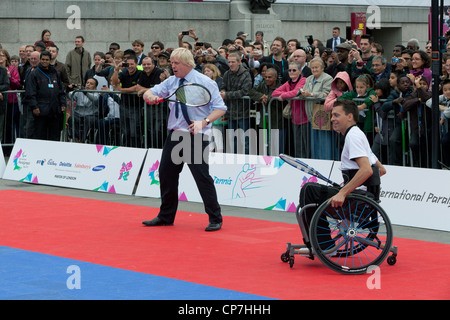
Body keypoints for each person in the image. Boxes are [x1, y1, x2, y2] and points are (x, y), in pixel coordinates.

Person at [141, 47, 227, 232]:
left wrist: (204, 122)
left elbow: (220, 108)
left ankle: (215, 217)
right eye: (171, 62)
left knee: (201, 177)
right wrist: (152, 97)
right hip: (175, 134)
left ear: (188, 64)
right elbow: (148, 93)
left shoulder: (205, 82)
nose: (172, 66)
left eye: (176, 63)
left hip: (196, 135)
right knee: (166, 175)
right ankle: (166, 216)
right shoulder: (171, 81)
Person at [299, 99, 386, 249]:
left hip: (357, 200)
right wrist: (351, 183)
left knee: (309, 190)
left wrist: (344, 192)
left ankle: (322, 245)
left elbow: (367, 170)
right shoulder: (358, 134)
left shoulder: (353, 137)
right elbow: (381, 170)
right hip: (364, 197)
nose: (332, 119)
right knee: (313, 190)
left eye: (336, 115)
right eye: (332, 115)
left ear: (350, 116)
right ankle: (321, 242)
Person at [25, 51, 66, 141]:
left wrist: (63, 103)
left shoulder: (54, 73)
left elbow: (60, 90)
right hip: (41, 110)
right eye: (43, 59)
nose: (44, 61)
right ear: (40, 60)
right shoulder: (34, 73)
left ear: (50, 60)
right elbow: (31, 92)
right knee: (40, 136)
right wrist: (34, 106)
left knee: (54, 136)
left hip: (54, 110)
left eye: (47, 60)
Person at [300, 57, 333, 160]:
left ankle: (326, 164)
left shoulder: (327, 78)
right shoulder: (309, 78)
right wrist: (302, 94)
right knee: (314, 144)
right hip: (311, 116)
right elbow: (305, 90)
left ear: (322, 68)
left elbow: (326, 94)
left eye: (316, 67)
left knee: (324, 144)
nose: (314, 70)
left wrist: (311, 94)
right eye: (312, 67)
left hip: (323, 115)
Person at [220, 52, 253, 154]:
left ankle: (247, 160)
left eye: (233, 62)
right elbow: (223, 86)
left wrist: (227, 95)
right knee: (231, 139)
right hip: (230, 112)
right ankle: (232, 159)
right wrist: (222, 92)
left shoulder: (246, 74)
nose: (230, 64)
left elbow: (245, 91)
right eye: (229, 62)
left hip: (243, 112)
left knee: (245, 140)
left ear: (239, 62)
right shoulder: (226, 74)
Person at [272, 62, 308, 157]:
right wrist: (289, 94)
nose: (291, 72)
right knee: (297, 147)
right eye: (290, 70)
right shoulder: (288, 83)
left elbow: (297, 91)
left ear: (300, 71)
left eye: (294, 70)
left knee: (306, 147)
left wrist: (284, 95)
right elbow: (274, 93)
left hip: (305, 118)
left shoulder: (303, 80)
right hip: (294, 119)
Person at [111, 54, 143, 147]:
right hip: (124, 106)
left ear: (136, 64)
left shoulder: (140, 73)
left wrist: (122, 90)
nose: (130, 66)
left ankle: (136, 149)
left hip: (136, 107)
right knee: (125, 131)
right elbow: (114, 82)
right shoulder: (123, 72)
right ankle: (126, 148)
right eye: (127, 64)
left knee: (134, 132)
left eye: (132, 64)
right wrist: (117, 69)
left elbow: (137, 88)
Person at [136, 56, 165, 148]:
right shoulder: (142, 73)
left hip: (159, 107)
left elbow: (159, 89)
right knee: (148, 129)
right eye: (144, 64)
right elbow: (138, 88)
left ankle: (159, 149)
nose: (146, 66)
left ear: (153, 64)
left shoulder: (159, 72)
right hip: (148, 107)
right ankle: (149, 148)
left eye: (148, 64)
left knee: (158, 130)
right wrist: (148, 90)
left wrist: (144, 90)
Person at [66, 78, 100, 142]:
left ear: (95, 87)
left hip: (91, 115)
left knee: (89, 120)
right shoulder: (79, 91)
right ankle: (76, 139)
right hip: (78, 114)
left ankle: (82, 140)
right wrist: (68, 89)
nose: (88, 85)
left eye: (91, 84)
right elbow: (69, 95)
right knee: (72, 118)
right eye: (87, 83)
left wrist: (86, 93)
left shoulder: (96, 94)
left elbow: (95, 99)